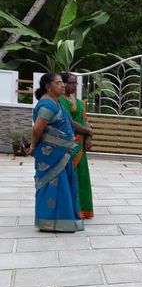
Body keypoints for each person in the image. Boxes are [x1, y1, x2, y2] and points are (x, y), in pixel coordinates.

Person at [29, 73, 84, 232]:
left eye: (62, 83)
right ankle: (48, 222)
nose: (62, 85)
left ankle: (63, 221)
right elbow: (37, 128)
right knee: (51, 186)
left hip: (62, 154)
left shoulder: (56, 102)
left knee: (63, 186)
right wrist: (33, 145)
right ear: (48, 86)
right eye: (58, 83)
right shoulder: (48, 104)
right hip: (51, 155)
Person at [59, 73, 94, 219]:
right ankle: (72, 208)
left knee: (82, 176)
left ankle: (84, 209)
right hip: (69, 144)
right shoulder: (61, 101)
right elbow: (69, 122)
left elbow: (85, 119)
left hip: (81, 145)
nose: (73, 86)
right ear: (64, 84)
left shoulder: (80, 102)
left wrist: (88, 137)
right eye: (70, 83)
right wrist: (88, 130)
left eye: (75, 83)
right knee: (71, 176)